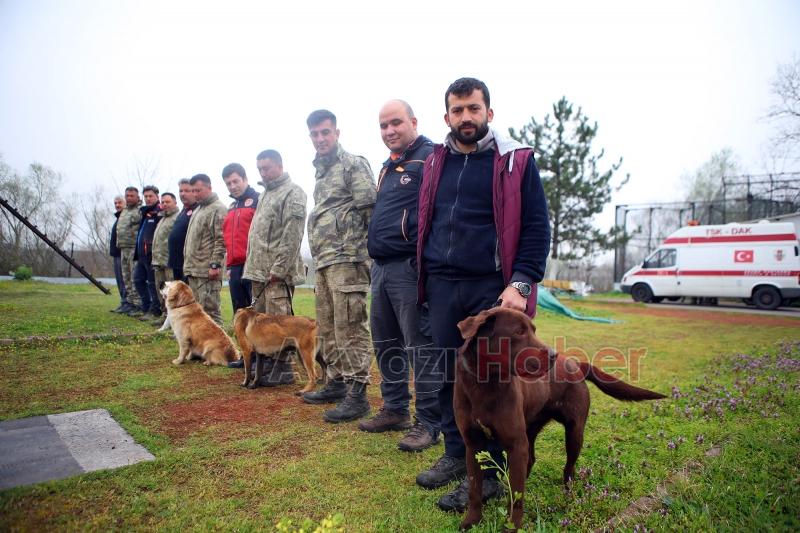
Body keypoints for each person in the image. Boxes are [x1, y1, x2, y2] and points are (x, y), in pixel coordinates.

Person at [415, 78, 551, 513]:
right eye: (457, 111)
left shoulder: (514, 161)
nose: (466, 118)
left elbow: (535, 228)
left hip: (489, 287)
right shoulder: (436, 161)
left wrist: (521, 282)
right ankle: (458, 454)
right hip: (441, 283)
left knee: (491, 381)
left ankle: (490, 475)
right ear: (447, 117)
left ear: (489, 113)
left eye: (474, 109)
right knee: (447, 376)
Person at [357, 100, 441, 452]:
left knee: (418, 346)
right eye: (383, 126)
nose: (389, 131)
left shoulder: (432, 157)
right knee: (386, 341)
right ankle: (394, 409)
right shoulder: (387, 166)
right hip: (381, 267)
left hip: (410, 266)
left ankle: (429, 420)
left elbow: (437, 210)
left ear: (413, 122)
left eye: (396, 123)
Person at [301, 109, 376, 423]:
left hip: (349, 259)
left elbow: (371, 212)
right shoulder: (321, 171)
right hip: (325, 261)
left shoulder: (352, 165)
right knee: (329, 328)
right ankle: (336, 382)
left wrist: (370, 258)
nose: (320, 139)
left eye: (325, 132)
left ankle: (358, 394)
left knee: (350, 328)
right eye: (315, 134)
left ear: (336, 133)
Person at [238, 149, 307, 383]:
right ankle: (266, 369)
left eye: (266, 168)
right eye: (259, 169)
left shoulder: (293, 193)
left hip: (276, 275)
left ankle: (285, 370)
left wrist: (279, 269)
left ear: (279, 165)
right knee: (263, 328)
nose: (263, 173)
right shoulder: (266, 194)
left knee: (280, 324)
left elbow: (292, 235)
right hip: (259, 274)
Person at [183, 174, 228, 326]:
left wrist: (214, 265)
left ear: (209, 187)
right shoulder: (198, 209)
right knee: (196, 311)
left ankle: (220, 348)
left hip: (206, 272)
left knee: (210, 312)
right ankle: (202, 346)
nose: (195, 194)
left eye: (198, 190)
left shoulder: (218, 209)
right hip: (193, 270)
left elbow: (221, 240)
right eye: (193, 191)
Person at [221, 163, 259, 313]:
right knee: (240, 312)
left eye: (235, 181)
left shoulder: (258, 200)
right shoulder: (231, 206)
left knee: (255, 313)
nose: (232, 186)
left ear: (245, 179)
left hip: (252, 265)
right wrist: (229, 266)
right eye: (228, 183)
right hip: (235, 268)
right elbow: (227, 239)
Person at [133, 185, 162, 321]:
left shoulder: (159, 212)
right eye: (146, 197)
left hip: (152, 255)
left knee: (152, 283)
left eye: (150, 196)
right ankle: (146, 307)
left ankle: (155, 310)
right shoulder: (145, 213)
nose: (148, 199)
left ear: (157, 196)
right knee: (138, 280)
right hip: (141, 256)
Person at [151, 191, 180, 325]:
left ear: (175, 202)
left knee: (171, 292)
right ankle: (164, 315)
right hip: (158, 261)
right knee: (161, 290)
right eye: (162, 202)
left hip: (169, 262)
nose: (164, 204)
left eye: (167, 202)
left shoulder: (177, 217)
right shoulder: (162, 219)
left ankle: (173, 318)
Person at [117, 187, 143, 316]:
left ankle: (138, 304)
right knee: (125, 276)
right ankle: (129, 303)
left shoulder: (139, 210)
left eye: (132, 196)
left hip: (133, 248)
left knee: (133, 277)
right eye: (127, 195)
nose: (129, 198)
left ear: (137, 197)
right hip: (123, 248)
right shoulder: (125, 210)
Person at [168, 178, 197, 281]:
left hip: (189, 265)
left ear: (194, 192)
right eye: (181, 191)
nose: (183, 194)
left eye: (187, 191)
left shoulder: (198, 210)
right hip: (176, 263)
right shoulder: (183, 210)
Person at [109, 195, 128, 313]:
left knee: (125, 279)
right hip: (116, 253)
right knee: (119, 279)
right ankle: (123, 301)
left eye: (120, 202)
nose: (117, 205)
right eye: (115, 203)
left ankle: (127, 302)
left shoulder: (125, 217)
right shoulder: (118, 218)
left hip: (123, 253)